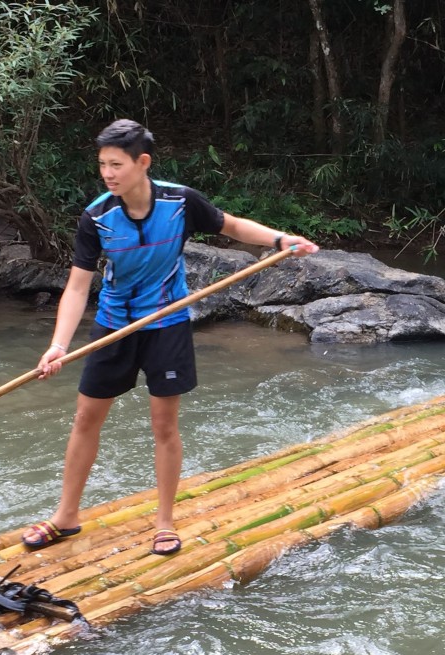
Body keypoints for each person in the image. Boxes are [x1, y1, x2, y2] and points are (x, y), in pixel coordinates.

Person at [21, 119, 319, 556]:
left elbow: (233, 227)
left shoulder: (180, 203)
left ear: (143, 163)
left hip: (167, 323)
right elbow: (78, 286)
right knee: (86, 418)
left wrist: (279, 239)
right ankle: (66, 517)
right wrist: (59, 346)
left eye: (116, 164)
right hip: (114, 326)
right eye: (103, 164)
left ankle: (164, 522)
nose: (108, 173)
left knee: (164, 424)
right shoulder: (97, 216)